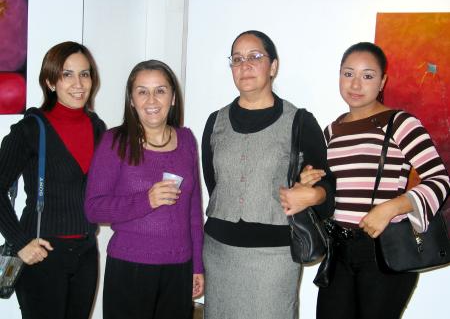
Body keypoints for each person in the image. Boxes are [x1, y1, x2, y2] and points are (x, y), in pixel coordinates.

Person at [201, 30, 335, 319]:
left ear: (273, 66)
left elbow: (327, 185)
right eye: (237, 59)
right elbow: (214, 183)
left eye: (255, 57)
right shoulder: (215, 121)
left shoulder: (299, 121)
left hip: (275, 257)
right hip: (218, 252)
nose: (245, 65)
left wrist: (312, 193)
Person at [311, 42, 450, 319]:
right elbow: (329, 190)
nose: (356, 84)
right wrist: (310, 181)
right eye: (348, 74)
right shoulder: (331, 131)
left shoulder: (400, 123)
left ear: (382, 81)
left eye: (368, 75)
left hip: (383, 251)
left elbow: (440, 179)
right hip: (337, 251)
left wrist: (391, 207)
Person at [84, 59, 204, 319]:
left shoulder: (186, 140)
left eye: (160, 90)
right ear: (131, 100)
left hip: (179, 267)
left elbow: (193, 212)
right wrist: (146, 200)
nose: (152, 100)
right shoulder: (114, 141)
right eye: (142, 91)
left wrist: (197, 265)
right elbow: (94, 208)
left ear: (173, 97)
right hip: (130, 266)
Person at [0, 41, 106, 319]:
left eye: (85, 73)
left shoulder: (97, 128)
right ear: (50, 81)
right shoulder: (29, 130)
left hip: (86, 253)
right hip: (42, 254)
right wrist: (21, 242)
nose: (79, 83)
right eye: (67, 74)